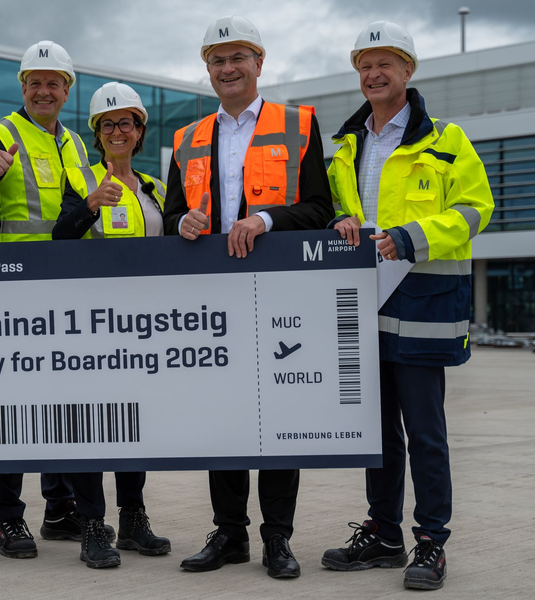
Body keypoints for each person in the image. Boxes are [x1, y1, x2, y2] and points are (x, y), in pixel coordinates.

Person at [320, 21, 494, 591]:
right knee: (376, 432)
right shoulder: (346, 147)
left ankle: (431, 541)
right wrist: (336, 218)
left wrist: (413, 235)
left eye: (385, 63)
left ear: (408, 71)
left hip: (422, 306)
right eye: (365, 65)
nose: (374, 73)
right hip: (360, 310)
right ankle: (383, 532)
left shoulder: (447, 139)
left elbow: (475, 208)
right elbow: (331, 209)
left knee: (425, 431)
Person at [163, 16, 334, 578]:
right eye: (217, 59)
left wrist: (263, 219)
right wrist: (182, 223)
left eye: (238, 57)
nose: (228, 68)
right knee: (224, 418)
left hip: (280, 294)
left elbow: (318, 210)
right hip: (214, 298)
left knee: (278, 416)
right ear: (207, 69)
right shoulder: (186, 139)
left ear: (260, 62)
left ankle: (277, 539)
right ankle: (230, 534)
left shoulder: (300, 124)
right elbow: (168, 219)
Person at [0, 40, 113, 559]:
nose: (44, 90)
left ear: (68, 90)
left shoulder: (74, 145)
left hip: (65, 292)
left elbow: (73, 216)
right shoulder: (0, 133)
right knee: (11, 413)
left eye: (54, 82)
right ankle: (7, 522)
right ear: (23, 87)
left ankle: (87, 520)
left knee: (76, 412)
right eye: (35, 82)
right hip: (12, 295)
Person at [53, 82, 172, 568]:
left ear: (140, 131)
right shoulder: (80, 180)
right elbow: (59, 237)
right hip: (91, 329)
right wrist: (89, 206)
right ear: (97, 134)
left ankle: (133, 519)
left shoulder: (156, 189)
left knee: (134, 426)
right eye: (108, 124)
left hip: (142, 328)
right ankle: (93, 527)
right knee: (91, 428)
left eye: (127, 122)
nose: (118, 131)